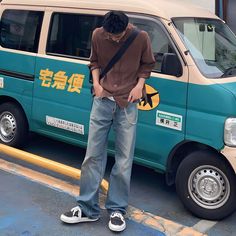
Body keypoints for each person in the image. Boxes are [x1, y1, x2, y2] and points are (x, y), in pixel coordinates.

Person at [60, 10, 155, 232]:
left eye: (118, 36)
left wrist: (140, 86)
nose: (113, 39)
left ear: (126, 27)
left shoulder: (141, 37)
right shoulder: (97, 35)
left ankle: (117, 210)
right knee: (92, 155)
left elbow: (147, 64)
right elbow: (93, 62)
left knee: (123, 159)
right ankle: (87, 209)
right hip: (102, 101)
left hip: (128, 104)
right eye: (110, 36)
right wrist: (97, 85)